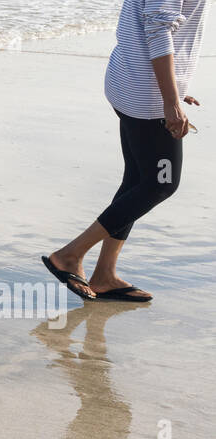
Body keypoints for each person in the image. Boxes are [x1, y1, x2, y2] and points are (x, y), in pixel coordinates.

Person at [44, 0, 207, 302]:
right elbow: (158, 29)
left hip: (133, 82)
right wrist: (170, 100)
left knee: (137, 181)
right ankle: (70, 255)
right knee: (161, 184)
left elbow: (153, 20)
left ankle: (104, 274)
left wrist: (176, 86)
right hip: (148, 97)